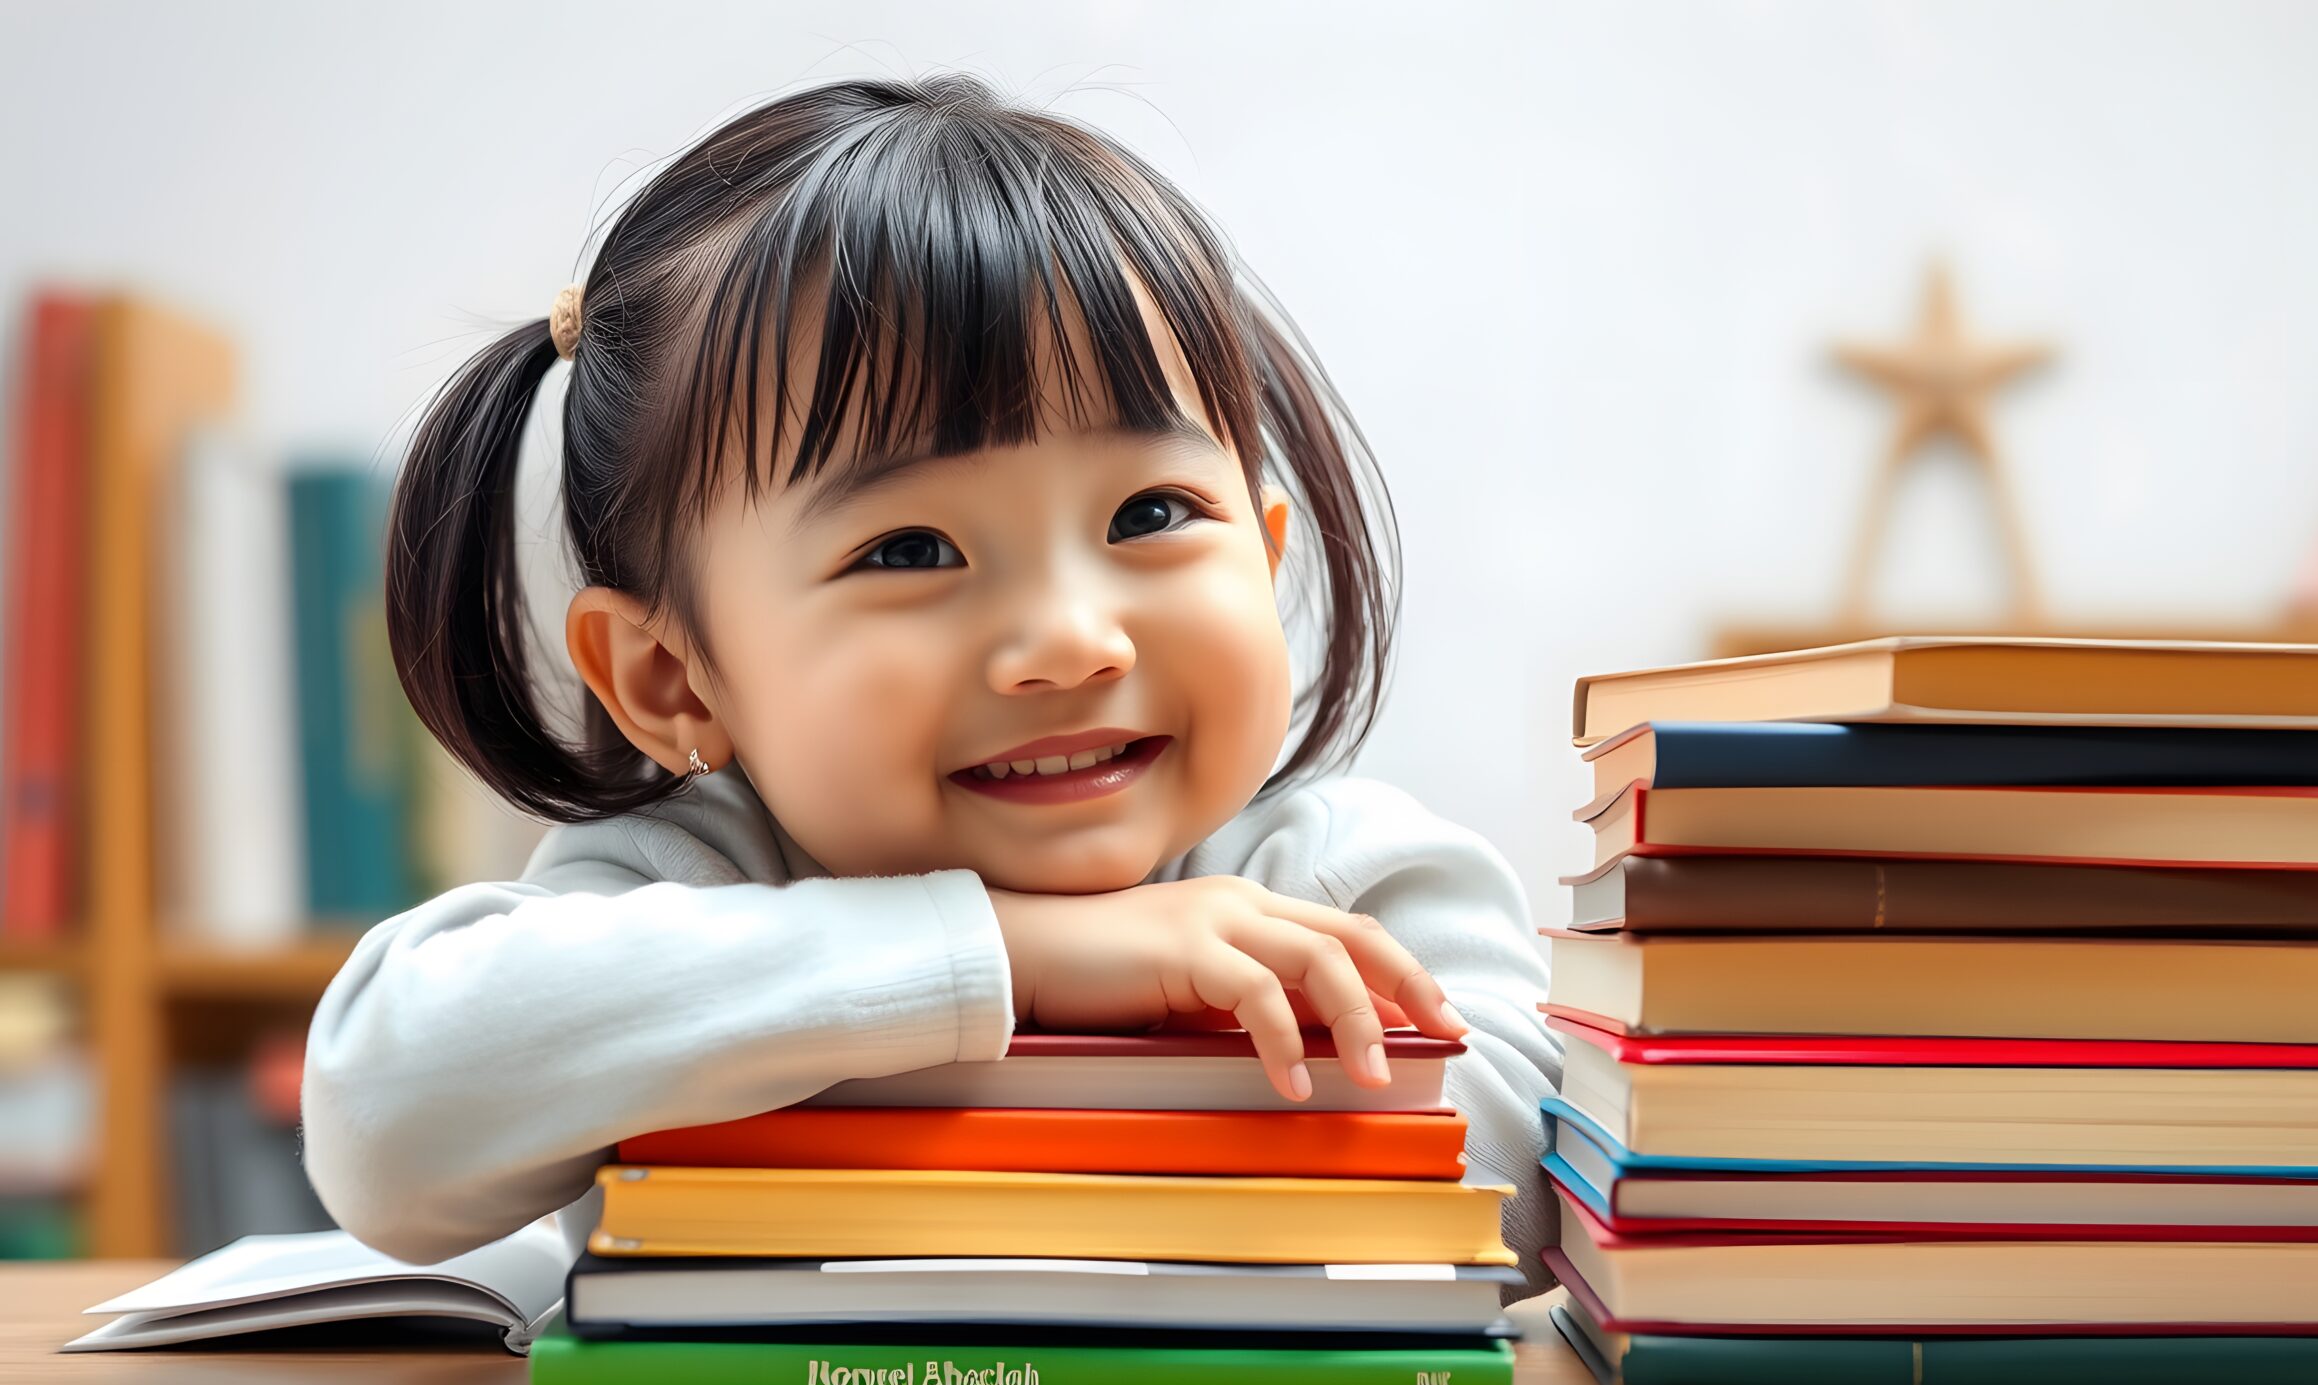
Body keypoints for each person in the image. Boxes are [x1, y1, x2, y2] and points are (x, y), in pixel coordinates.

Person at [300, 74, 1560, 1292]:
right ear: (673, 676)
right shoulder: (680, 886)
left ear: (1263, 557)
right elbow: (381, 1115)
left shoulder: (1345, 883)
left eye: (1153, 511)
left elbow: (1522, 1189)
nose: (1072, 641)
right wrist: (1013, 952)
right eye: (910, 550)